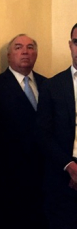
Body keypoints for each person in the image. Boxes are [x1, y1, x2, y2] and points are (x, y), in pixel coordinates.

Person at [0, 34, 47, 229]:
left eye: (30, 47)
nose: (25, 51)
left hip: (44, 176)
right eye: (19, 47)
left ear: (36, 53)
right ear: (9, 55)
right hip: (8, 178)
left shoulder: (49, 85)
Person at [37, 23, 77, 229]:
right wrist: (70, 167)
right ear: (70, 45)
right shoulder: (52, 86)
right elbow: (43, 134)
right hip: (61, 176)